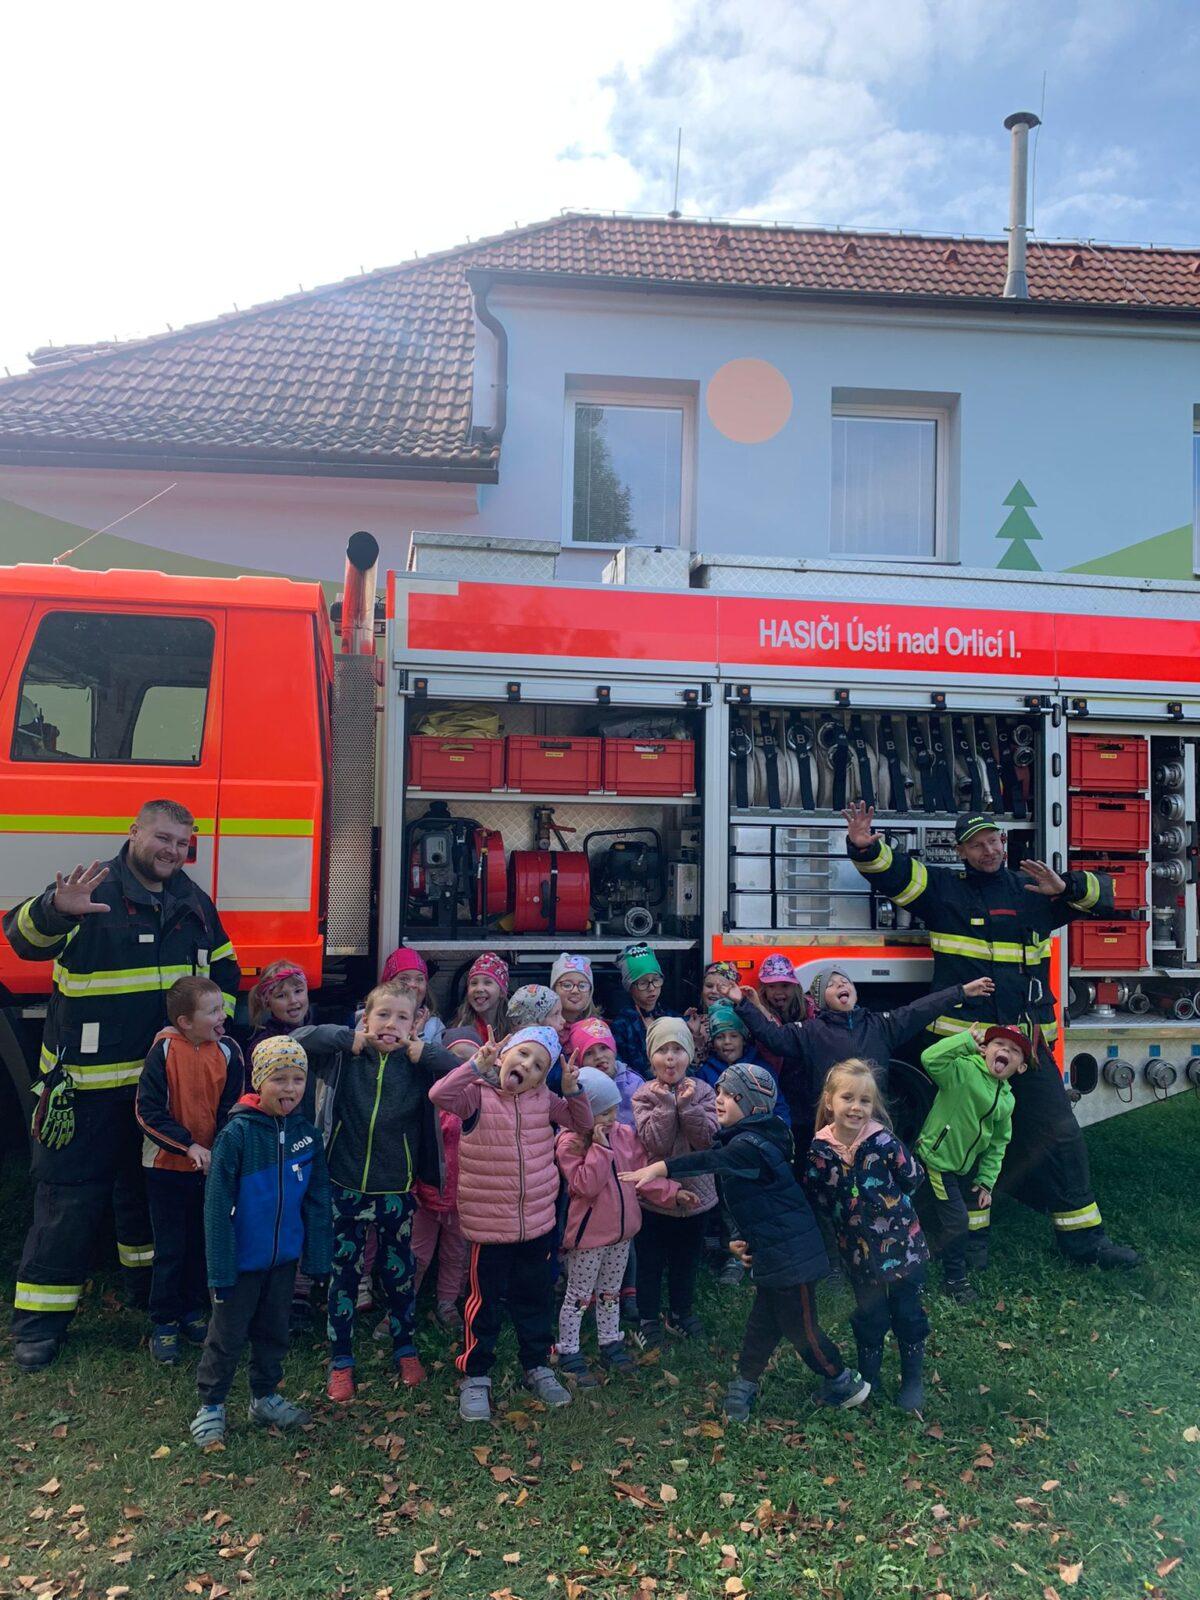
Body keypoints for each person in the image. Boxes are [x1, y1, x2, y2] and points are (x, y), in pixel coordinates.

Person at [844, 802, 1140, 1269]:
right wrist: (864, 845)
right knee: (967, 1147)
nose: (989, 850)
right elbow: (895, 873)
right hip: (970, 1053)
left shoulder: (1033, 890)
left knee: (1061, 1136)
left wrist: (1066, 887)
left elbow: (1106, 896)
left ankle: (1085, 1242)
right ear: (961, 851)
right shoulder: (942, 890)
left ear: (1005, 842)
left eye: (995, 840)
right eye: (978, 844)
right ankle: (968, 1246)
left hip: (1026, 1050)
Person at [5, 799, 240, 1373]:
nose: (172, 851)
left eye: (182, 843)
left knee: (150, 1200)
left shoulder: (194, 902)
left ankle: (152, 1300)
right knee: (68, 1203)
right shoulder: (93, 891)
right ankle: (39, 1326)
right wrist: (53, 909)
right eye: (162, 837)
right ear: (134, 832)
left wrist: (210, 1037)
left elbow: (225, 973)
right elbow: (22, 938)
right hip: (85, 1091)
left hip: (158, 1095)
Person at [622, 1062, 869, 1422]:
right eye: (718, 1092)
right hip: (772, 1253)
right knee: (762, 1324)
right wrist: (741, 1240)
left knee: (801, 1328)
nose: (719, 1100)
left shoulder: (751, 1147)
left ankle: (841, 1380)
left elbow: (712, 1160)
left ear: (753, 1105)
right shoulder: (748, 1141)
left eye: (730, 1095)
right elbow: (756, 1205)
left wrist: (661, 1168)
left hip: (793, 1258)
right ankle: (745, 1384)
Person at [294, 984, 456, 1400]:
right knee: (344, 1277)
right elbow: (296, 1040)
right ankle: (341, 1359)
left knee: (399, 1274)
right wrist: (346, 1037)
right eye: (382, 1015)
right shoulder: (345, 1057)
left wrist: (426, 1052)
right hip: (344, 1185)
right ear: (365, 1019)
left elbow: (464, 1072)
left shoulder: (418, 1064)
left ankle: (405, 1347)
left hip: (396, 1189)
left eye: (402, 1017)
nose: (390, 1024)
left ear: (416, 1024)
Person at [429, 1026, 593, 1422]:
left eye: (538, 1066)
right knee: (483, 1304)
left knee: (534, 1298)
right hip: (488, 1226)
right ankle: (476, 1374)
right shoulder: (476, 1094)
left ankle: (536, 1364)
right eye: (522, 1055)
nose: (527, 1066)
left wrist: (572, 1090)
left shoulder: (545, 1100)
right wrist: (474, 1066)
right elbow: (439, 1096)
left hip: (537, 1224)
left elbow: (582, 1123)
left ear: (541, 1079)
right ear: (503, 1056)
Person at [190, 1037, 330, 1448]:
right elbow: (216, 1208)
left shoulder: (307, 1136)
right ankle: (211, 1405)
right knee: (227, 1336)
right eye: (279, 1079)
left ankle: (264, 1397)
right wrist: (220, 1268)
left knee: (274, 1331)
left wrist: (317, 1259)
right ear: (259, 1082)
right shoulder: (237, 1135)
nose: (289, 1088)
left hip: (283, 1261)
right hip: (240, 1263)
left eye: (298, 1079)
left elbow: (318, 1199)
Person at [715, 967, 992, 1152]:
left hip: (873, 1122)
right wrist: (742, 1003)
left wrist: (960, 992)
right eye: (832, 984)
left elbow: (919, 1010)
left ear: (855, 991)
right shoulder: (811, 1031)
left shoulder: (881, 1025)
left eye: (845, 981)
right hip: (831, 1126)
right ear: (820, 1000)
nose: (841, 984)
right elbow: (773, 1036)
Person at [555, 1067, 693, 1385]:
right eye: (603, 1112)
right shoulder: (570, 1143)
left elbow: (642, 1175)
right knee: (578, 1296)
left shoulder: (624, 1135)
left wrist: (672, 1193)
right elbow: (585, 1185)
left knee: (610, 1293)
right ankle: (569, 1351)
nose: (612, 1118)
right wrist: (600, 1149)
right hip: (589, 1237)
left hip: (622, 1234)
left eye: (615, 1109)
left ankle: (610, 1343)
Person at [807, 1060, 930, 1412]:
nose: (856, 1107)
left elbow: (913, 1177)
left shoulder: (884, 1142)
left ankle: (912, 1378)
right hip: (857, 1254)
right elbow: (817, 1195)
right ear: (830, 1101)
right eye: (848, 1098)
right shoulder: (820, 1151)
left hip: (903, 1248)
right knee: (869, 1315)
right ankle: (869, 1378)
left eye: (864, 1100)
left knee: (907, 1312)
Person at [135, 975, 245, 1365]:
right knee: (170, 1248)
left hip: (209, 1171)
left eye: (222, 1007)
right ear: (185, 1021)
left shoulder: (229, 1050)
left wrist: (220, 1152)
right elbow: (148, 1112)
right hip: (165, 1168)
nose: (223, 1016)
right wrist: (188, 1146)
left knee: (202, 1243)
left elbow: (233, 1108)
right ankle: (164, 1321)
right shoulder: (163, 1050)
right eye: (212, 1011)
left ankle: (192, 1311)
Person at [916, 1025, 1028, 1303]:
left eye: (1014, 1050)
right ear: (985, 1050)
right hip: (936, 1160)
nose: (1005, 1050)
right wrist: (964, 1041)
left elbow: (998, 1143)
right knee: (958, 1221)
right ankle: (955, 1281)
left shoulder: (1007, 1099)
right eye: (999, 1044)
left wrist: (986, 1181)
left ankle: (922, 1258)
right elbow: (930, 1059)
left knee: (920, 1208)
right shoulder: (964, 1071)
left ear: (1021, 1067)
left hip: (960, 1168)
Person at [631, 1018, 718, 1347]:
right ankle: (647, 1317)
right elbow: (657, 1143)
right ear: (651, 1057)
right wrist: (668, 1105)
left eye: (678, 1049)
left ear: (690, 1055)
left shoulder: (705, 1091)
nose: (670, 1057)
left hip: (698, 1196)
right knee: (650, 1260)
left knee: (686, 1260)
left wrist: (689, 1106)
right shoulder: (644, 1095)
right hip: (655, 1200)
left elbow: (706, 1139)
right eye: (663, 1050)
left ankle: (681, 1311)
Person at [409, 1027, 476, 1334]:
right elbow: (417, 1146)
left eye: (469, 1061)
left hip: (464, 1200)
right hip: (427, 1195)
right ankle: (404, 1302)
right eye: (454, 1059)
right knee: (417, 1254)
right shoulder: (431, 1102)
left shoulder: (478, 1105)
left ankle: (447, 1303)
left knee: (455, 1255)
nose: (460, 1067)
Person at [566, 1018, 641, 1125]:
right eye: (589, 1053)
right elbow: (567, 1127)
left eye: (603, 1048)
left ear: (614, 1050)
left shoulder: (634, 1083)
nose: (599, 1056)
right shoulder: (577, 1089)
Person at [610, 942, 666, 1078]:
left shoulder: (670, 1016)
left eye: (656, 980)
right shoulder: (621, 1025)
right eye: (643, 983)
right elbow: (623, 1067)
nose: (651, 988)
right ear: (629, 987)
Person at [380, 947, 444, 1044]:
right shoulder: (373, 1016)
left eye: (419, 979)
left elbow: (435, 1054)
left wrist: (418, 1035)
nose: (413, 985)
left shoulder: (434, 1025)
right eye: (404, 979)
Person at [450, 953, 509, 1041]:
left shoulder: (514, 1027)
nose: (479, 989)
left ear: (502, 992)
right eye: (474, 983)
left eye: (487, 983)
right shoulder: (461, 1030)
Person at [551, 952, 600, 1028]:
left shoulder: (599, 1028)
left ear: (590, 992)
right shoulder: (541, 1028)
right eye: (567, 985)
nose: (575, 991)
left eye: (582, 986)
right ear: (554, 989)